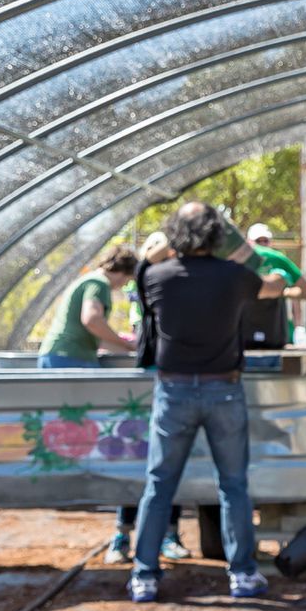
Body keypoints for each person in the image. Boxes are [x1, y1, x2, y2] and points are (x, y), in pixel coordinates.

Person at [126, 201, 289, 603]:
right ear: (217, 234)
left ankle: (144, 575)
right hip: (224, 389)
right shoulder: (235, 277)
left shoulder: (157, 276)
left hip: (174, 392)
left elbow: (144, 282)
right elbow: (271, 286)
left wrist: (159, 254)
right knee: (233, 485)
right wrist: (277, 273)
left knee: (160, 483)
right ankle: (243, 574)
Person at [109, 231, 187, 566]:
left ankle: (170, 533)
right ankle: (122, 533)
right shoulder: (144, 281)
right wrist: (163, 250)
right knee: (137, 458)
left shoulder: (179, 284)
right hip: (149, 381)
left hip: (175, 380)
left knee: (172, 463)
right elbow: (143, 268)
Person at [37, 245, 138, 369]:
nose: (124, 285)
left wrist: (127, 347)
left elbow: (94, 335)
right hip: (70, 357)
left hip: (59, 355)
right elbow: (92, 320)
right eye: (128, 280)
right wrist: (126, 343)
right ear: (124, 272)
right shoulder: (99, 283)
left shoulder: (89, 280)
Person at [243, 222, 306, 346]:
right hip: (247, 335)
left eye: (265, 241)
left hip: (275, 334)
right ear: (250, 242)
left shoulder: (278, 260)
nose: (262, 246)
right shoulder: (275, 258)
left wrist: (285, 291)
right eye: (259, 241)